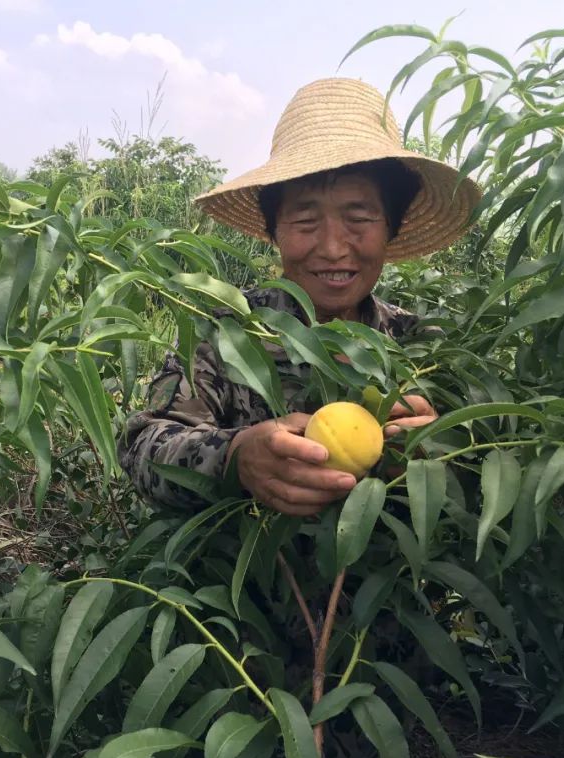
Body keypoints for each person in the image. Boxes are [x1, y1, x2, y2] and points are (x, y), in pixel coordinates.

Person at [119, 77, 481, 515]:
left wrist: (442, 448)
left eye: (359, 217)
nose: (332, 247)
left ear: (392, 227)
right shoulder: (225, 333)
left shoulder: (423, 343)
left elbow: (483, 456)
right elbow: (142, 446)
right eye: (306, 221)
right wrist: (234, 458)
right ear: (274, 232)